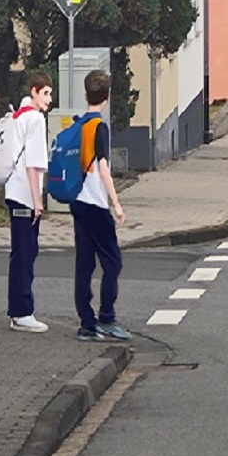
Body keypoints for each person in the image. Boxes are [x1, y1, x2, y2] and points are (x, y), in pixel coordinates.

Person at [71, 69, 130, 342]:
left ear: (86, 95)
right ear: (106, 98)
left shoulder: (77, 125)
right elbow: (104, 169)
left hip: (77, 202)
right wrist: (116, 204)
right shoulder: (99, 128)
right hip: (95, 204)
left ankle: (86, 322)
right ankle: (106, 317)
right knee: (113, 263)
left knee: (84, 263)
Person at [5, 71, 53, 332]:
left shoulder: (18, 116)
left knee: (19, 252)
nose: (49, 99)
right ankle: (23, 311)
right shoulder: (35, 120)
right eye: (45, 93)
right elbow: (34, 165)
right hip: (25, 194)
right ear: (34, 91)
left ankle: (17, 309)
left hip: (13, 192)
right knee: (26, 252)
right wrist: (38, 202)